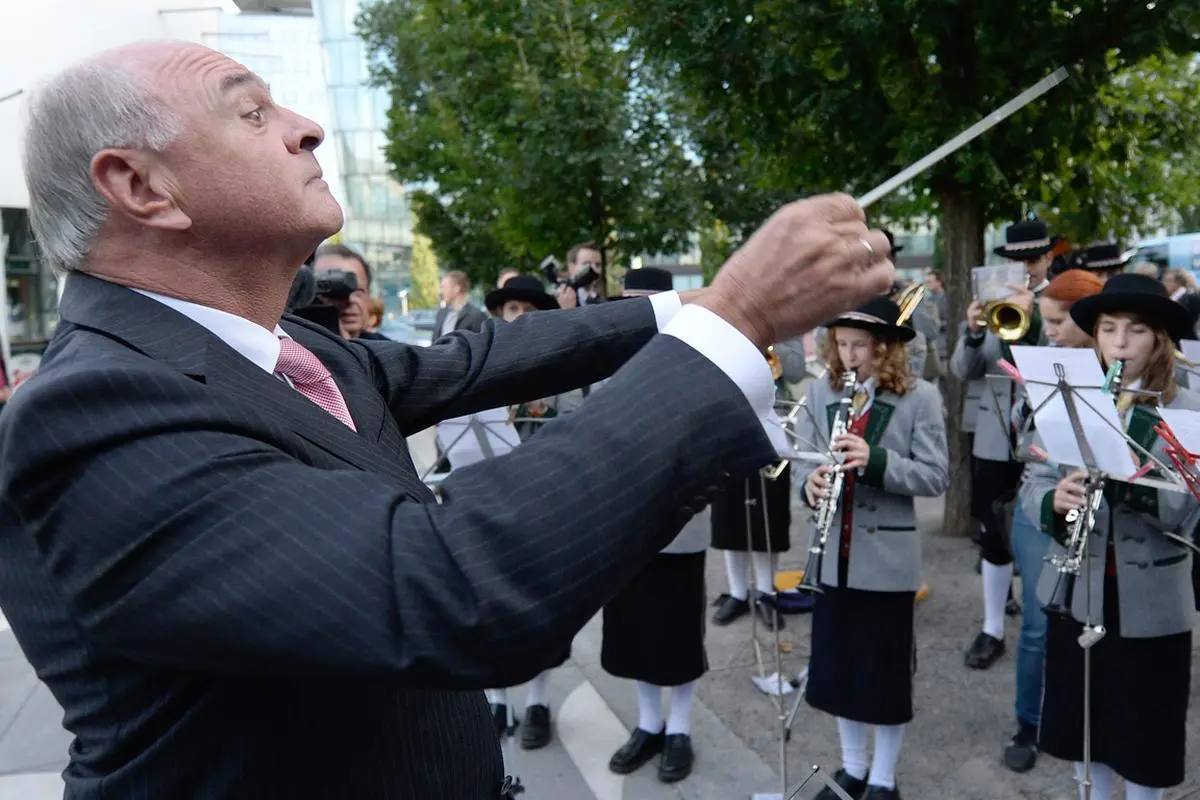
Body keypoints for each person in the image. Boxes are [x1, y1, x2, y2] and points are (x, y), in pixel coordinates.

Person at [0, 41, 895, 799]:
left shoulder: (280, 348)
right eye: (250, 113)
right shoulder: (90, 411)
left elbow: (481, 361)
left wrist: (682, 309)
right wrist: (735, 320)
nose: (304, 126)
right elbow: (445, 590)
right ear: (141, 186)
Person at [1019, 273, 1198, 800]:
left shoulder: (1187, 407)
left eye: (1136, 330)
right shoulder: (1071, 396)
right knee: (1089, 731)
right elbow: (1035, 479)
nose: (1120, 343)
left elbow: (1190, 509)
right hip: (1081, 590)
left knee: (1145, 738)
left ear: (1160, 338)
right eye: (1108, 329)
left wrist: (1128, 481)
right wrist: (1053, 501)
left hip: (1152, 601)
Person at [798, 297, 949, 800]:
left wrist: (877, 460)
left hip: (886, 564)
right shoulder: (822, 393)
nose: (848, 355)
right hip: (831, 560)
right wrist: (810, 485)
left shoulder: (919, 397)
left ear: (884, 348)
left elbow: (935, 475)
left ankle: (884, 778)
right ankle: (853, 768)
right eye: (841, 344)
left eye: (859, 345)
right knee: (839, 673)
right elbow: (803, 461)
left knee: (882, 678)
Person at [601, 268, 709, 784]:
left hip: (678, 519)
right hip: (622, 523)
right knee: (634, 631)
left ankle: (680, 728)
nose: (634, 314)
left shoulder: (694, 355)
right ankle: (648, 723)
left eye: (644, 303)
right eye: (627, 303)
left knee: (679, 633)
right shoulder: (605, 361)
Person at [1002, 268, 1104, 774]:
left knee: (1093, 627)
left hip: (1103, 522)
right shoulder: (1047, 365)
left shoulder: (1116, 374)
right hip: (1044, 507)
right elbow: (1024, 448)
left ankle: (1083, 725)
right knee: (1040, 625)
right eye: (1045, 320)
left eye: (1060, 322)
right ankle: (1028, 720)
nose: (1052, 332)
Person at [951, 218, 1053, 671]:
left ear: (1048, 257)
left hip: (1044, 438)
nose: (1024, 268)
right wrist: (973, 331)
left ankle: (1043, 620)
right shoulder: (990, 303)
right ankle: (992, 626)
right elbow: (962, 370)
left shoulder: (1061, 303)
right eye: (1015, 261)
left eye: (1031, 259)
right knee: (993, 534)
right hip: (994, 436)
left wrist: (1031, 320)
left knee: (1043, 531)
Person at [477, 275, 574, 750]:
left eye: (527, 311)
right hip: (493, 503)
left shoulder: (565, 370)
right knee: (489, 605)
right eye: (510, 310)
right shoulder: (485, 367)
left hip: (545, 506)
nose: (517, 319)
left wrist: (545, 412)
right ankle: (497, 700)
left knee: (541, 608)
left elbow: (580, 428)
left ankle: (537, 701)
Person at [434, 269, 488, 337]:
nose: (440, 292)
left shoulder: (477, 316)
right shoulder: (441, 313)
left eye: (444, 287)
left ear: (457, 288)